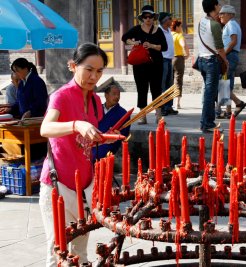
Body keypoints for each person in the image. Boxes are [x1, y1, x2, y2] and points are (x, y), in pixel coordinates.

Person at [39, 43, 109, 267]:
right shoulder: (62, 95)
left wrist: (108, 135)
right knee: (57, 249)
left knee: (80, 249)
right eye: (88, 69)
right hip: (58, 185)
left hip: (86, 186)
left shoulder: (96, 100)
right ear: (72, 66)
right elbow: (45, 129)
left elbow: (90, 138)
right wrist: (76, 124)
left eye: (99, 71)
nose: (93, 76)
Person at [122, 5, 167, 124]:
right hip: (140, 65)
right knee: (141, 89)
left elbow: (165, 47)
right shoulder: (136, 29)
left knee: (156, 89)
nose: (148, 19)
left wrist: (151, 45)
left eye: (150, 16)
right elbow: (124, 37)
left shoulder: (158, 30)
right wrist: (134, 42)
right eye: (145, 17)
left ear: (154, 18)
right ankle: (143, 116)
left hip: (156, 64)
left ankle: (158, 116)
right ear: (142, 18)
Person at [197, 0, 228, 133]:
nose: (220, 6)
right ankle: (207, 123)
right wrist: (225, 61)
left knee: (209, 93)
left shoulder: (201, 22)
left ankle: (207, 121)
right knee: (210, 94)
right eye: (219, 4)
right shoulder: (214, 25)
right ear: (214, 6)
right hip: (211, 61)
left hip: (202, 60)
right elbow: (220, 47)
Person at [216, 5, 246, 119]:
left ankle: (238, 103)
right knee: (227, 83)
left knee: (222, 83)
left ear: (230, 14)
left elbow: (234, 41)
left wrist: (223, 54)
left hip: (230, 55)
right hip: (230, 55)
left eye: (222, 14)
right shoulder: (229, 25)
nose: (220, 16)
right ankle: (228, 111)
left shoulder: (232, 24)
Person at [94, 85, 130, 160]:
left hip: (109, 145)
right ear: (106, 95)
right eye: (114, 94)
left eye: (118, 94)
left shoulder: (123, 113)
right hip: (93, 142)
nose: (117, 96)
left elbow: (123, 135)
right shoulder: (96, 108)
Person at [159, 12, 179, 117]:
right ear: (165, 21)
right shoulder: (158, 30)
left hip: (169, 59)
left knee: (169, 85)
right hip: (162, 60)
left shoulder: (169, 30)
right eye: (170, 19)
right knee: (162, 85)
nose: (171, 21)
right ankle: (162, 108)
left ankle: (169, 106)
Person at [171, 19, 189, 109]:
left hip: (169, 59)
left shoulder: (170, 35)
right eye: (180, 26)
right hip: (178, 58)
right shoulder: (179, 35)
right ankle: (177, 103)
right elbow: (183, 44)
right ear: (177, 27)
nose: (181, 28)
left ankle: (168, 103)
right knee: (178, 80)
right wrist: (185, 52)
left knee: (169, 80)